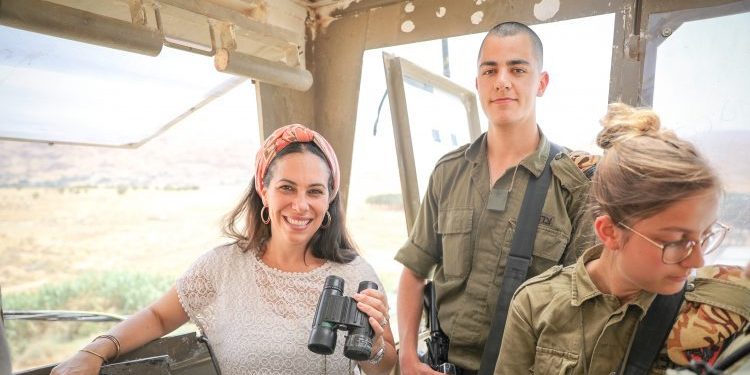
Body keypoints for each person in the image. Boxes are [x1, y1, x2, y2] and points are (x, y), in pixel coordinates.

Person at [51, 124, 397, 375]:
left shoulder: (355, 274)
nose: (301, 205)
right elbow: (158, 317)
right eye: (287, 188)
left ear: (330, 197)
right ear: (264, 190)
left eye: (315, 191)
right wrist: (94, 350)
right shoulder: (221, 267)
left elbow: (382, 369)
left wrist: (377, 343)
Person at [396, 21, 596, 374]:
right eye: (490, 70)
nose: (502, 80)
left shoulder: (573, 186)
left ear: (542, 82)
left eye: (518, 69)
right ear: (478, 84)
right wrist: (409, 358)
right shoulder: (449, 172)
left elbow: (585, 307)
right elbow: (415, 270)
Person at [494, 103, 750, 374]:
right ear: (610, 232)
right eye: (676, 241)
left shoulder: (720, 310)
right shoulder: (537, 304)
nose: (697, 259)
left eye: (706, 235)